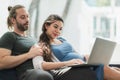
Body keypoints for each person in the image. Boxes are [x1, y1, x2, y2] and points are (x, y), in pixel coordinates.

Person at [33, 14, 120, 80]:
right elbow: (40, 65)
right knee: (105, 69)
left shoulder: (62, 39)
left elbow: (74, 54)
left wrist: (85, 57)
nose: (58, 31)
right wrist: (67, 63)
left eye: (60, 29)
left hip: (83, 64)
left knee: (115, 68)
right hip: (72, 70)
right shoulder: (39, 46)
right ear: (46, 26)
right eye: (55, 27)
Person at [0, 5, 54, 80]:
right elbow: (1, 62)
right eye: (23, 17)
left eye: (27, 16)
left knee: (74, 70)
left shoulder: (33, 39)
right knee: (44, 76)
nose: (27, 20)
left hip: (44, 68)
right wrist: (29, 55)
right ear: (13, 20)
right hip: (29, 74)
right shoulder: (9, 36)